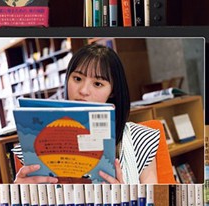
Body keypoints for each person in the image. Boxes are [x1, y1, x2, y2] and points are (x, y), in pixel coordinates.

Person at [13, 43, 161, 185]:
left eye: (98, 84)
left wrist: (124, 199)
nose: (83, 90)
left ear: (112, 92)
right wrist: (21, 196)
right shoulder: (31, 146)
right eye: (77, 79)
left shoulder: (140, 141)